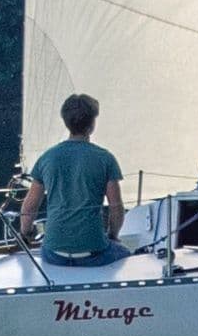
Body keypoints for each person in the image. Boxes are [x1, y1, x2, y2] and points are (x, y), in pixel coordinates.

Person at [20, 93, 129, 268]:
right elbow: (116, 208)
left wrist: (26, 234)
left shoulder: (47, 158)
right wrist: (113, 235)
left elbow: (29, 207)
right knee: (129, 256)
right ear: (92, 124)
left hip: (53, 253)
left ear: (65, 121)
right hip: (94, 252)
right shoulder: (105, 159)